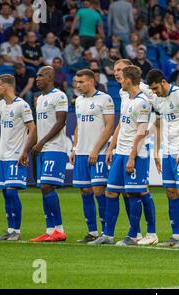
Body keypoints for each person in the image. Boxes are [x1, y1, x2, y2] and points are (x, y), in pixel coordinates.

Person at [90, 66, 152, 246]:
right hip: (120, 152)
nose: (118, 79)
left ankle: (133, 235)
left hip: (136, 154)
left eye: (121, 77)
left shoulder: (142, 102)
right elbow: (121, 126)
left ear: (128, 80)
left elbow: (141, 132)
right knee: (111, 191)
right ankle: (108, 235)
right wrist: (111, 148)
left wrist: (132, 157)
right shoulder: (126, 99)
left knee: (133, 194)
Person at [146, 69, 179, 248]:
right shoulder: (158, 99)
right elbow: (159, 126)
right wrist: (156, 152)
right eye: (151, 89)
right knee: (170, 192)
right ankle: (176, 236)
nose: (154, 92)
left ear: (163, 81)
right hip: (167, 152)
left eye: (155, 88)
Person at [70, 69, 115, 243]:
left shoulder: (105, 99)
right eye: (76, 82)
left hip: (99, 152)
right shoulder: (79, 101)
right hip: (81, 152)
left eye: (81, 82)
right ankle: (93, 232)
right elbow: (77, 127)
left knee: (99, 190)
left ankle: (106, 233)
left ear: (91, 81)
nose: (77, 85)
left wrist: (96, 149)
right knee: (85, 190)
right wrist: (74, 148)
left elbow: (109, 126)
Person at [0, 74, 36, 241]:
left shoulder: (22, 106)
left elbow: (32, 129)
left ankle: (17, 231)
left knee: (11, 192)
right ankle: (10, 230)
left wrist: (25, 151)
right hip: (2, 155)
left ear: (5, 86)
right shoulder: (1, 104)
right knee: (5, 192)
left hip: (16, 156)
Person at [30, 66, 69, 242]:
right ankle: (49, 230)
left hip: (55, 147)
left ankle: (59, 229)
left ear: (50, 77)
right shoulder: (40, 99)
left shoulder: (59, 96)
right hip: (43, 148)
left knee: (47, 186)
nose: (37, 78)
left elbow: (61, 122)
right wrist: (27, 148)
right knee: (43, 188)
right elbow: (39, 126)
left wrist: (41, 142)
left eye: (41, 76)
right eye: (37, 76)